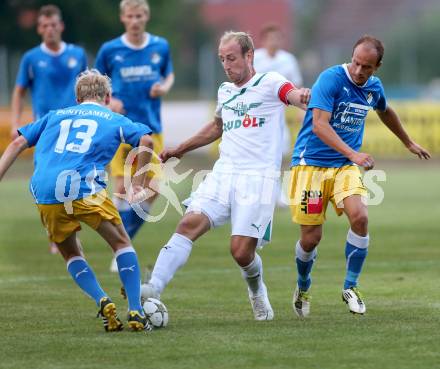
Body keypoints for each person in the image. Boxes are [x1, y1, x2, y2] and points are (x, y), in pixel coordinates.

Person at [139, 31, 310, 321]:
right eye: (222, 59)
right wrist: (181, 148)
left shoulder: (270, 82)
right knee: (188, 224)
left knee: (241, 253)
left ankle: (256, 291)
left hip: (258, 178)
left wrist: (303, 96)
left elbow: (292, 95)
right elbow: (217, 126)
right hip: (224, 172)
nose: (226, 65)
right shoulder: (225, 91)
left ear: (249, 56)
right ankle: (153, 288)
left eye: (231, 58)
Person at [0, 69, 154, 332]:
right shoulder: (112, 117)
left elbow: (16, 144)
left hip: (46, 189)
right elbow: (146, 140)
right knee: (120, 243)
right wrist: (136, 186)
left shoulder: (54, 115)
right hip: (83, 186)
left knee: (70, 252)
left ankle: (102, 300)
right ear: (107, 97)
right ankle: (137, 312)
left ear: (77, 97)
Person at [289, 35, 431, 317]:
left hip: (344, 167)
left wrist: (408, 142)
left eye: (366, 66)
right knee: (311, 239)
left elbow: (385, 109)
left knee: (361, 217)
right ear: (351, 57)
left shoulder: (373, 87)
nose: (358, 71)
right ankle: (303, 285)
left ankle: (350, 287)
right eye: (355, 63)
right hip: (310, 166)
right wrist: (355, 154)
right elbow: (319, 125)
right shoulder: (330, 79)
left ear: (376, 67)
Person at [95, 0, 174, 272]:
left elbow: (169, 75)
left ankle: (122, 241)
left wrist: (163, 87)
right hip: (120, 128)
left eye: (139, 15)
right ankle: (122, 247)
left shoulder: (160, 46)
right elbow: (98, 83)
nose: (135, 20)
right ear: (123, 18)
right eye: (130, 16)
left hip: (151, 127)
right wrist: (110, 101)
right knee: (121, 187)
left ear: (146, 17)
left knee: (152, 189)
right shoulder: (110, 49)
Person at [11, 4, 87, 254]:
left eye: (54, 24)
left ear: (61, 26)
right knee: (45, 180)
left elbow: (87, 86)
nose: (50, 29)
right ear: (39, 29)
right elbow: (19, 91)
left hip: (74, 127)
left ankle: (68, 229)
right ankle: (53, 232)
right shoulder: (31, 58)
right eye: (44, 25)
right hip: (44, 129)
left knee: (74, 177)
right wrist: (15, 123)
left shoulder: (77, 54)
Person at [254, 24, 303, 206]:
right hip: (256, 114)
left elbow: (296, 85)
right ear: (263, 40)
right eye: (270, 37)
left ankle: (276, 192)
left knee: (280, 152)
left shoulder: (288, 60)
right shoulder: (254, 58)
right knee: (257, 154)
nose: (274, 41)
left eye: (277, 38)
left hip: (278, 114)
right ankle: (259, 193)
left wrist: (300, 108)